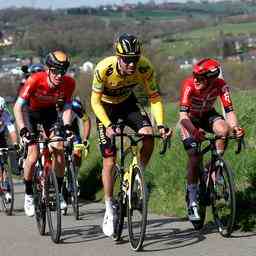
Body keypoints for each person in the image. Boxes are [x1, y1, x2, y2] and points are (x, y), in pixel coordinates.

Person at [91, 33, 171, 237]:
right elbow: (94, 102)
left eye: (134, 59)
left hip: (128, 105)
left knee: (148, 134)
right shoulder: (104, 68)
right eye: (127, 60)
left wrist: (160, 124)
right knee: (109, 159)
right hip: (106, 109)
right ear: (118, 57)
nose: (131, 64)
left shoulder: (145, 67)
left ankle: (138, 175)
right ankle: (109, 208)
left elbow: (154, 97)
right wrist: (108, 125)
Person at [179, 58, 244, 222]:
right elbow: (183, 117)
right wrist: (194, 131)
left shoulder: (221, 85)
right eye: (195, 76)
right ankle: (192, 198)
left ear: (211, 79)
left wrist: (235, 128)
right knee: (194, 155)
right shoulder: (189, 85)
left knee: (224, 130)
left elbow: (229, 111)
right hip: (190, 119)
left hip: (208, 114)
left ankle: (215, 166)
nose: (196, 80)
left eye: (200, 78)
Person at [14, 51, 75, 217]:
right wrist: (23, 130)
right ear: (48, 69)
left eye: (63, 71)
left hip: (49, 114)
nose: (59, 75)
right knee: (33, 156)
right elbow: (18, 107)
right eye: (56, 71)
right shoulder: (35, 80)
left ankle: (60, 191)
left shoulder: (69, 83)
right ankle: (28, 194)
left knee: (59, 147)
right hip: (30, 114)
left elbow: (68, 107)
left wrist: (68, 126)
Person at [0, 97, 18, 202]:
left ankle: (6, 188)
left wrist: (15, 143)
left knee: (3, 158)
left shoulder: (5, 114)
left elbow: (11, 130)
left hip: (1, 135)